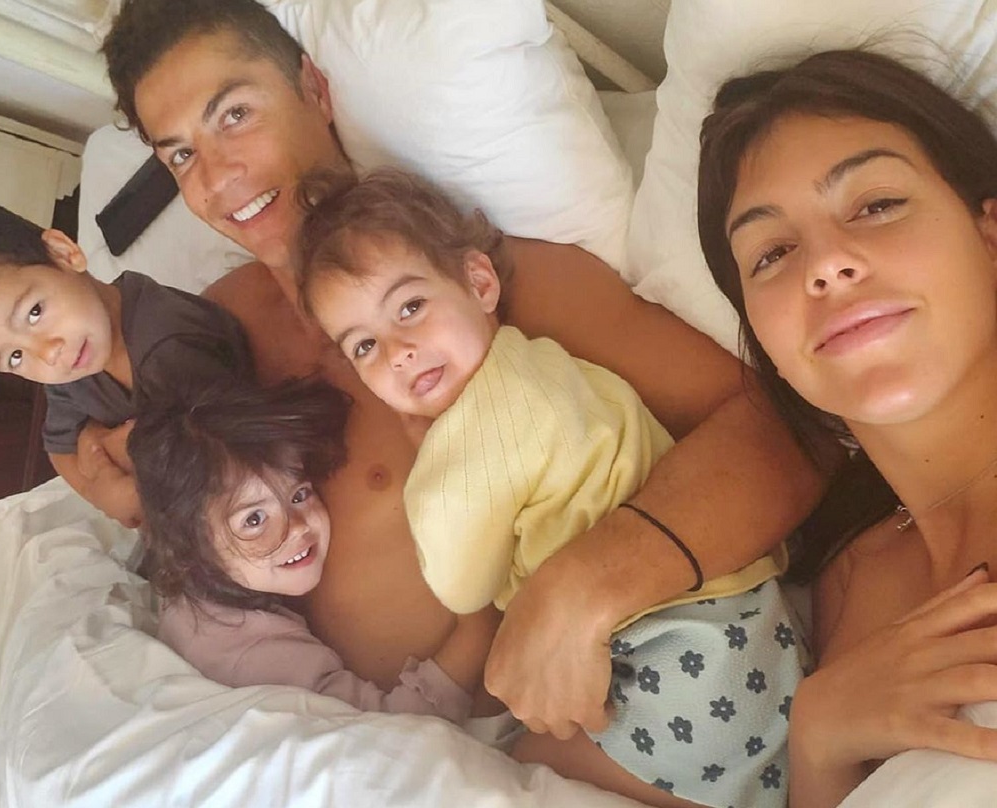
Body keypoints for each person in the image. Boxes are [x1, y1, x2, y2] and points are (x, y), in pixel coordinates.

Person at [99, 0, 826, 748]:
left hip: (563, 729)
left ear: (315, 89)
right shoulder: (217, 330)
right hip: (333, 742)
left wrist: (587, 584)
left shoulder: (480, 287)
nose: (216, 180)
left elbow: (785, 436)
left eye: (234, 115)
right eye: (179, 156)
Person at [295, 167, 804, 807]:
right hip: (750, 630)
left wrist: (433, 466)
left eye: (410, 308)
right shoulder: (540, 360)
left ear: (481, 282)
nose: (398, 351)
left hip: (676, 663)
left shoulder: (465, 445)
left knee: (512, 773)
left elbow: (461, 586)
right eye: (365, 346)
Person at [696, 48, 997, 808]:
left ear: (989, 233)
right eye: (772, 254)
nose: (825, 266)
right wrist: (819, 736)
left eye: (877, 205)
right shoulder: (851, 578)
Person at [131, 375, 499, 723]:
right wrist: (478, 628)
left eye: (299, 494)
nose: (297, 526)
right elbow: (393, 728)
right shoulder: (258, 659)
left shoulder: (189, 591)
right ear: (189, 544)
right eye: (254, 519)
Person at [0, 198, 253, 528]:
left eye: (34, 313)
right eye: (15, 357)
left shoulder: (167, 344)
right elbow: (59, 448)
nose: (46, 353)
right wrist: (102, 491)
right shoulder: (73, 369)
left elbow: (221, 474)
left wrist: (111, 460)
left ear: (63, 253)